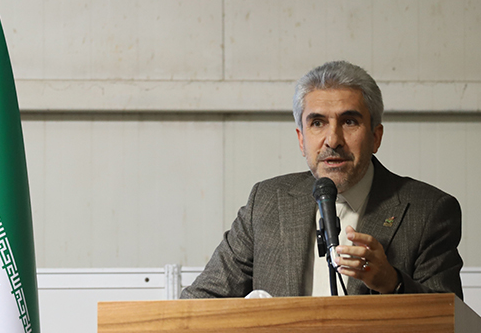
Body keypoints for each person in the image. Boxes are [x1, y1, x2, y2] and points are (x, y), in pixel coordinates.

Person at [181, 60, 463, 300]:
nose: (333, 140)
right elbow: (199, 302)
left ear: (375, 137)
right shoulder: (267, 202)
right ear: (301, 139)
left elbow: (450, 323)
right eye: (317, 123)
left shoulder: (428, 210)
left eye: (349, 122)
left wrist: (394, 284)